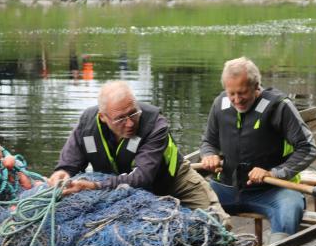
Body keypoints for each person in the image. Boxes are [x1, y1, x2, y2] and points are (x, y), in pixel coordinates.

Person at [48, 81, 228, 225]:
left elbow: (142, 178)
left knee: (219, 224)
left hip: (175, 180)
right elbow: (69, 164)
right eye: (120, 118)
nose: (130, 123)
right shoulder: (87, 125)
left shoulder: (155, 124)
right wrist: (62, 173)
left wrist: (93, 186)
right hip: (118, 188)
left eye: (133, 113)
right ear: (103, 117)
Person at [200, 57, 316, 243]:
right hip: (226, 189)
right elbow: (208, 141)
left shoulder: (279, 106)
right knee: (191, 204)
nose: (236, 100)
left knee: (289, 210)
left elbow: (308, 148)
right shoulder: (220, 104)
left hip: (273, 191)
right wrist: (209, 155)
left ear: (256, 87)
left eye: (242, 93)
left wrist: (274, 173)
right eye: (231, 93)